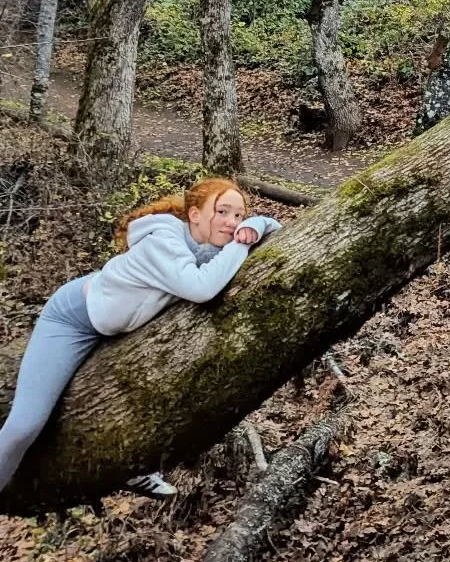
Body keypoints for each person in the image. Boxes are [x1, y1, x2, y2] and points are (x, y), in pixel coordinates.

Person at [0, 178, 281, 496]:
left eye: (239, 216)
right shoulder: (163, 240)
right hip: (73, 319)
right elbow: (202, 289)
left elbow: (278, 231)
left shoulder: (206, 246)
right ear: (194, 215)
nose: (232, 223)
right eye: (222, 212)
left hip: (122, 321)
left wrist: (258, 224)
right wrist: (241, 243)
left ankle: (133, 470)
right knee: (26, 425)